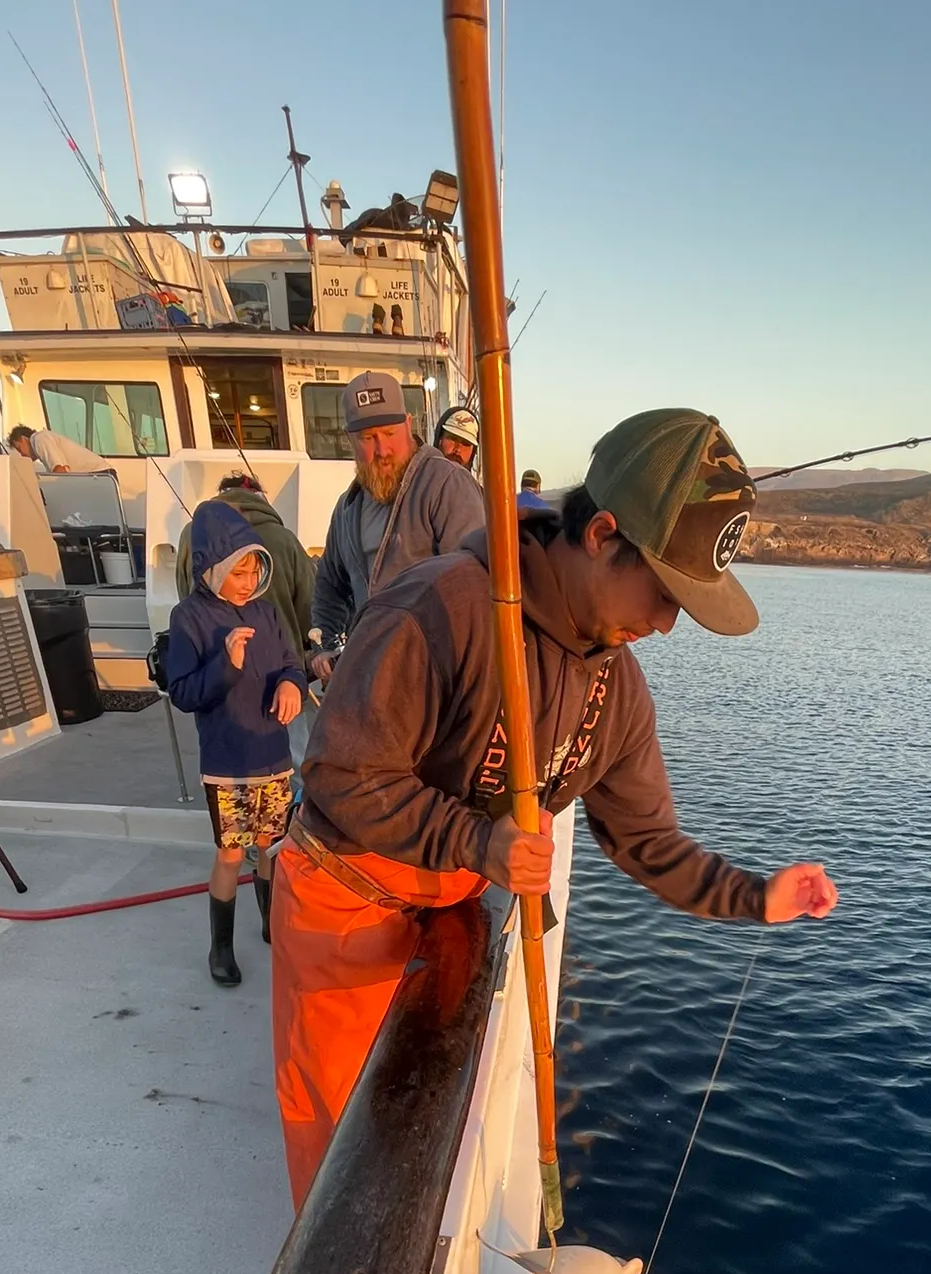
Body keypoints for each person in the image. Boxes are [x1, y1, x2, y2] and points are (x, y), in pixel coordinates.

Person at [270, 407, 839, 1207]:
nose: (670, 625)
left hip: (453, 907)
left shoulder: (617, 685)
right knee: (336, 1147)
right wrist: (478, 840)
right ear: (602, 535)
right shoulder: (439, 607)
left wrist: (755, 897)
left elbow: (647, 840)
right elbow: (339, 775)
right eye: (664, 592)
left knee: (427, 1132)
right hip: (347, 898)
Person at [167, 501, 306, 986]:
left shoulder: (267, 613)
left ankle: (270, 922)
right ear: (211, 568)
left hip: (274, 754)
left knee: (270, 845)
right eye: (237, 571)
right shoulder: (188, 618)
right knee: (231, 853)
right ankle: (220, 948)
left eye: (254, 569)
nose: (248, 581)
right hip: (228, 762)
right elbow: (182, 692)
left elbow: (292, 662)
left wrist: (293, 684)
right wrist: (225, 664)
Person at [309, 371, 484, 684]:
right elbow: (329, 584)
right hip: (374, 679)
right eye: (367, 438)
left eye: (389, 433)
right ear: (350, 438)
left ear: (408, 424)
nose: (382, 450)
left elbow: (476, 591)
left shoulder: (447, 485)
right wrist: (327, 645)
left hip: (435, 685)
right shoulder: (346, 509)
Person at [175, 474, 316, 665]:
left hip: (211, 659)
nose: (249, 584)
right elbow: (308, 604)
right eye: (239, 573)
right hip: (279, 663)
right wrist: (307, 647)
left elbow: (184, 589)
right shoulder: (285, 539)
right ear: (259, 499)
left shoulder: (190, 534)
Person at [6, 424, 111, 474]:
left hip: (99, 474)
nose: (22, 455)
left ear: (23, 439)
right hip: (100, 475)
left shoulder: (39, 439)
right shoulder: (43, 438)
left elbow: (60, 470)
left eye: (19, 449)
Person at [435, 406, 480, 473]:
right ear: (440, 439)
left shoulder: (471, 483)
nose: (458, 449)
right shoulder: (419, 480)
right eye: (453, 438)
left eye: (466, 443)